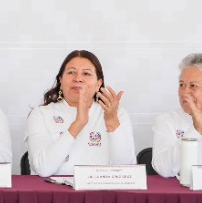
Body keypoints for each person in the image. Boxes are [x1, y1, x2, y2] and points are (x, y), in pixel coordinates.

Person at [26, 49, 135, 177]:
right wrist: (78, 124)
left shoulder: (117, 114)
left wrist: (112, 122)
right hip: (53, 189)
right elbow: (43, 169)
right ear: (61, 80)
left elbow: (127, 171)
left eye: (86, 74)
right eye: (71, 72)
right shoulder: (40, 114)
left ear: (98, 84)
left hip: (102, 188)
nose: (78, 79)